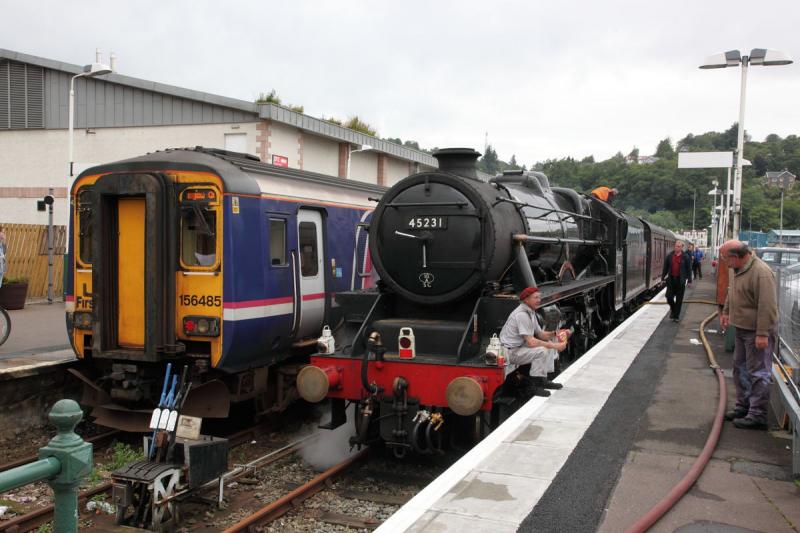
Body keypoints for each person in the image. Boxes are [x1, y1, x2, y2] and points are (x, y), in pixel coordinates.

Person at [720, 240, 778, 430]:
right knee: (740, 369)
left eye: (726, 259)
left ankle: (757, 414)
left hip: (756, 332)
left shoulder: (761, 273)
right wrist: (727, 311)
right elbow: (732, 292)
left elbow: (767, 306)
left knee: (758, 372)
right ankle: (744, 407)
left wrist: (762, 334)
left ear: (736, 257)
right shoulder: (738, 270)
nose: (725, 263)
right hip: (741, 329)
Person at [499, 286, 568, 397]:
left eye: (539, 297)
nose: (539, 300)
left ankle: (543, 380)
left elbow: (541, 334)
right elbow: (531, 342)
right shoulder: (521, 315)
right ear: (526, 300)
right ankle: (534, 386)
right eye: (535, 298)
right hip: (510, 352)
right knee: (543, 350)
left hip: (519, 348)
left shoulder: (530, 312)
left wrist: (557, 333)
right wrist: (555, 346)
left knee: (550, 342)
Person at [662, 239, 692, 321]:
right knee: (669, 297)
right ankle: (673, 309)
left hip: (680, 280)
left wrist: (689, 280)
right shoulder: (669, 256)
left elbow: (689, 269)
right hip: (671, 279)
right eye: (676, 246)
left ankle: (676, 316)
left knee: (679, 299)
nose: (677, 248)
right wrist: (662, 278)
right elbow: (665, 268)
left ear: (682, 247)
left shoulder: (686, 257)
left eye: (679, 246)